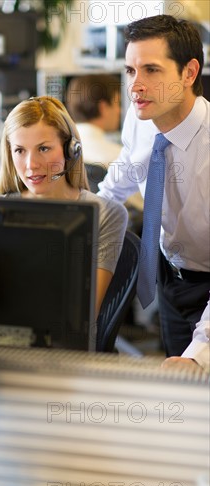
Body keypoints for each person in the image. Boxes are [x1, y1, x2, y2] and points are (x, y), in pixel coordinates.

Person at [97, 15, 210, 358]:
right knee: (179, 391)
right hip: (169, 278)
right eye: (131, 71)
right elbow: (114, 190)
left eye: (151, 70)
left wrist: (200, 351)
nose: (135, 87)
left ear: (189, 73)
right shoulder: (140, 117)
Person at [0, 95, 128, 317]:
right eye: (20, 150)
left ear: (71, 150)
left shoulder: (106, 214)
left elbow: (83, 312)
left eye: (44, 149)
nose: (31, 165)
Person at [65, 73, 122, 170]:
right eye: (118, 104)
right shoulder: (118, 157)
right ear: (103, 108)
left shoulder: (57, 152)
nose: (120, 111)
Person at [161, 298, 210, 372]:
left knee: (192, 370)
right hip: (169, 292)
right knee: (174, 369)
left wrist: (197, 357)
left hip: (201, 299)